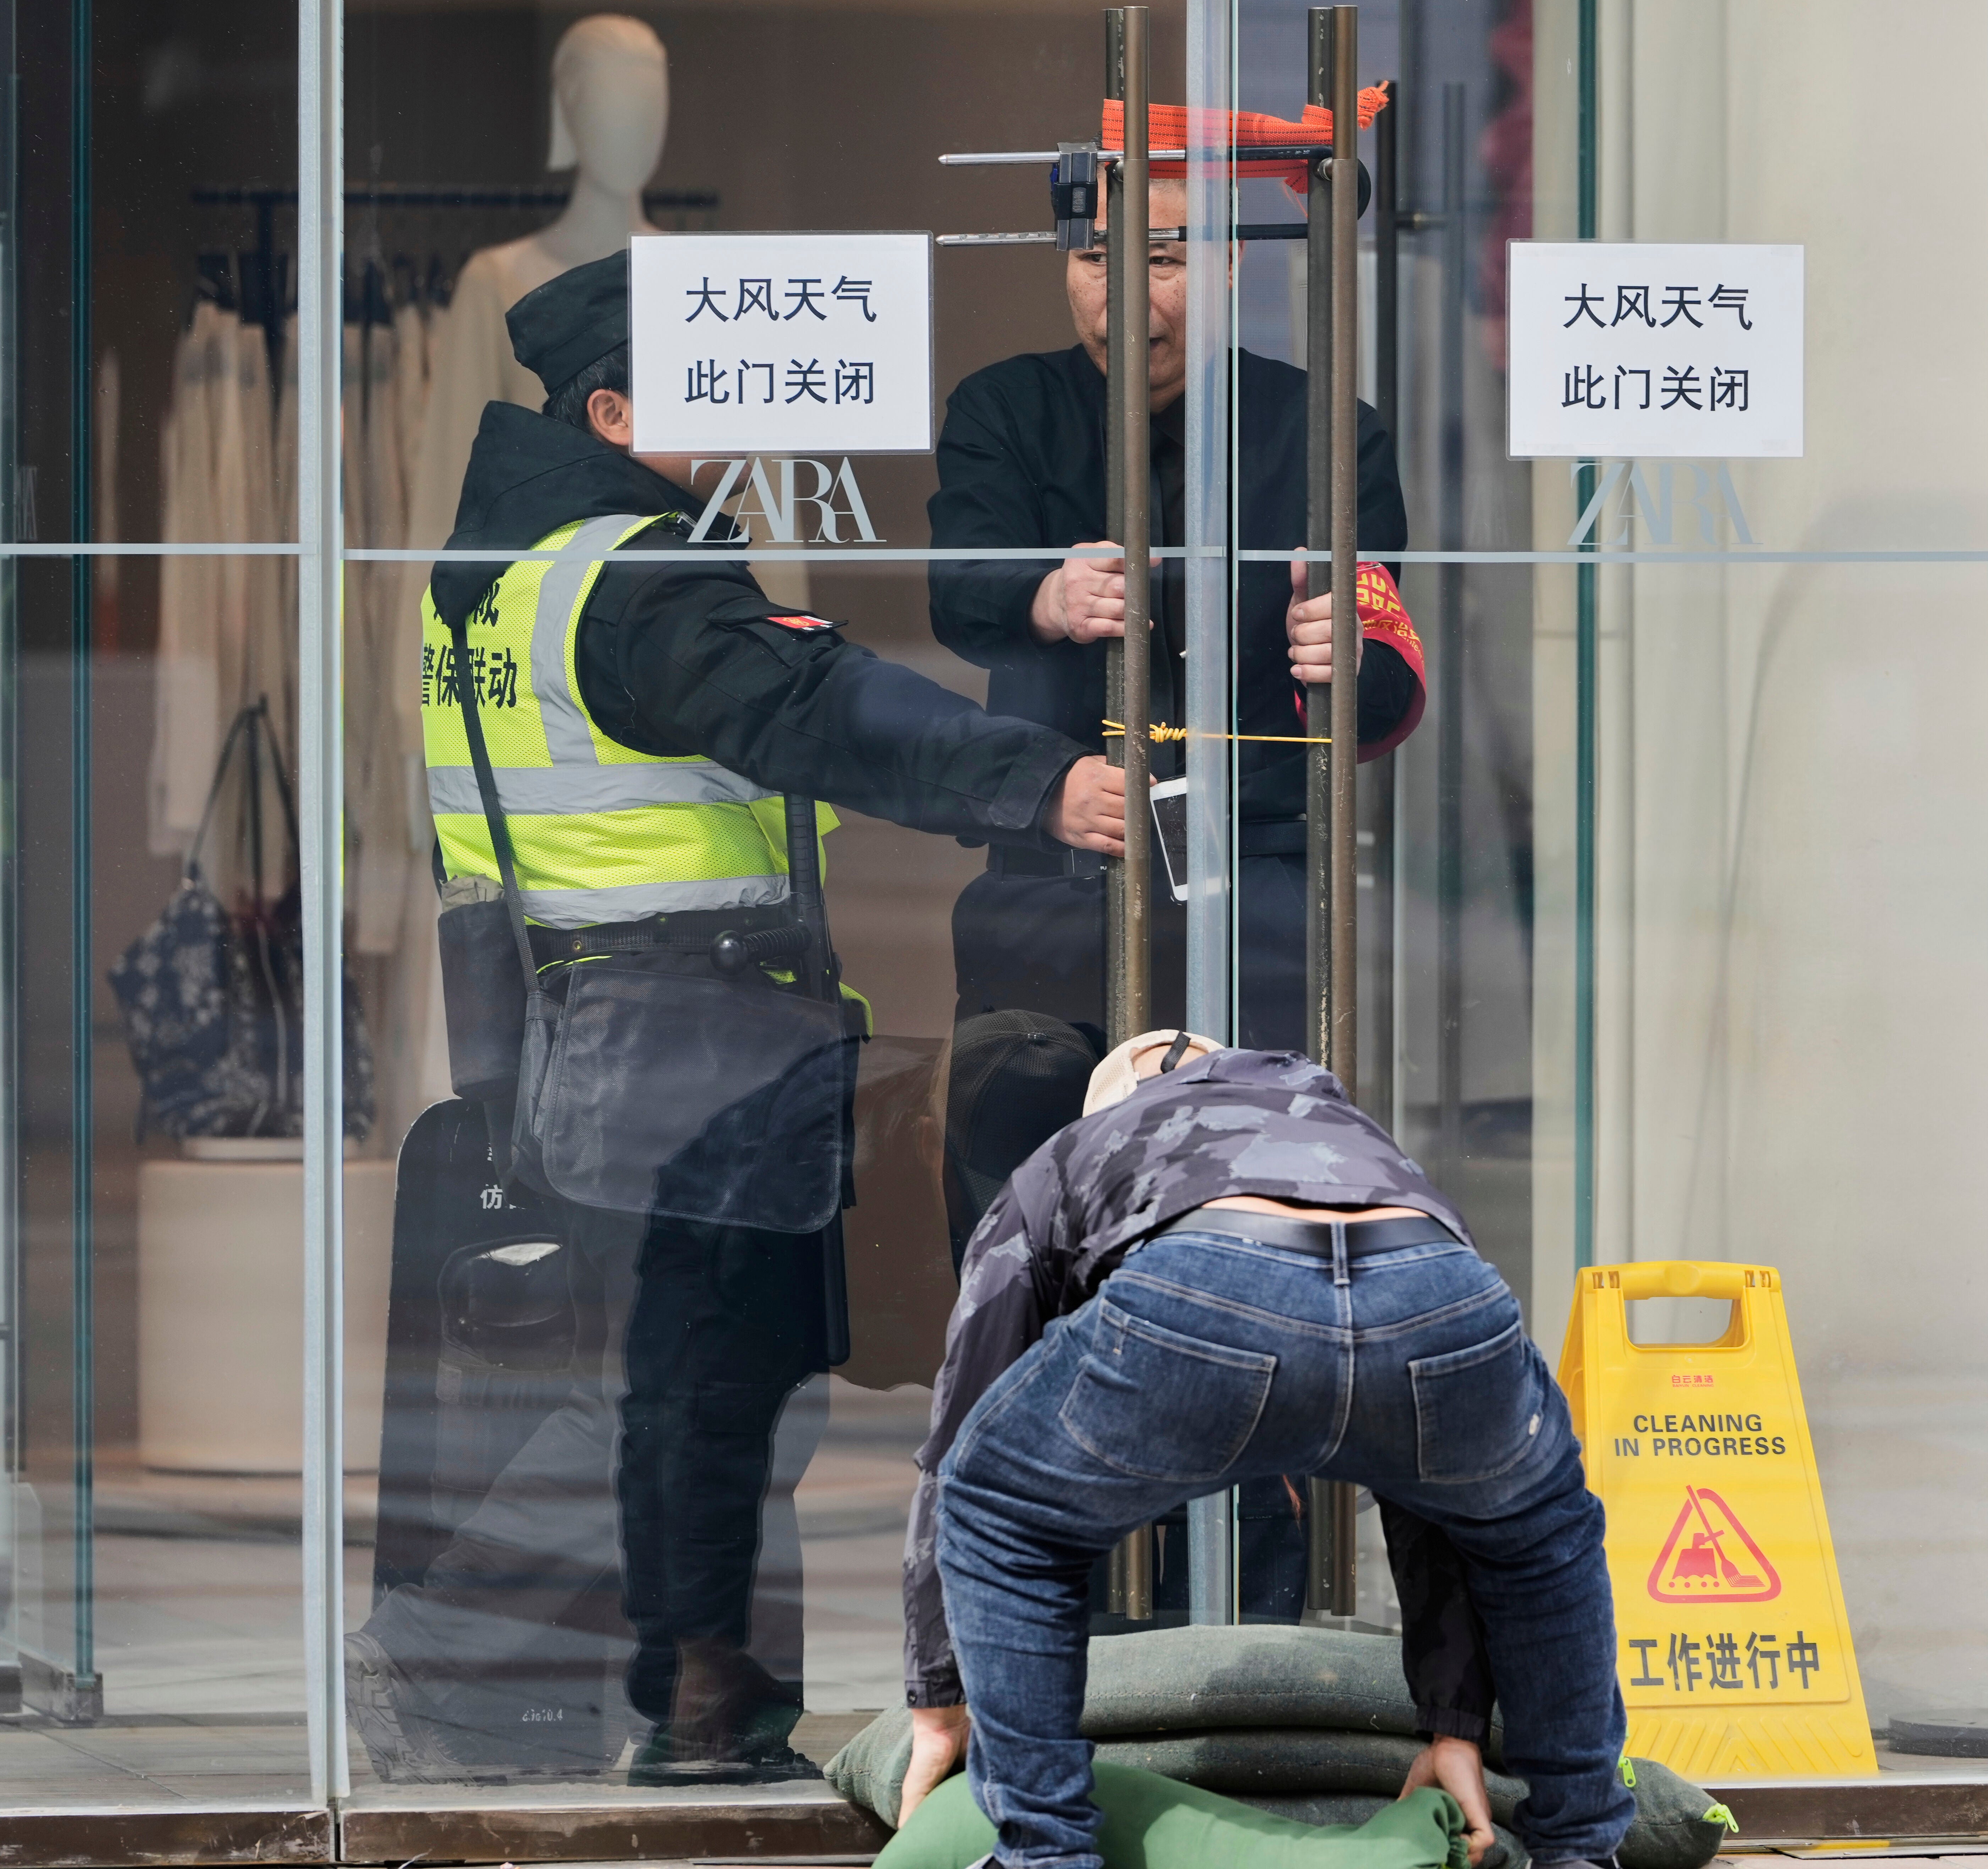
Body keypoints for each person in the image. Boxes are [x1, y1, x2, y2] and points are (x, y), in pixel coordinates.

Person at [349, 250, 1128, 1789]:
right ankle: (458, 1664)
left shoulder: (503, 573)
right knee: (687, 1400)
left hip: (594, 1028)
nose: (749, 400)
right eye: (711, 375)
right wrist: (1034, 781)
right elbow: (807, 706)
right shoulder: (630, 576)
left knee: (701, 1394)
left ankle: (713, 1720)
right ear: (618, 406)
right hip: (688, 1037)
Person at [895, 1033, 1636, 1869]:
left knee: (996, 1505)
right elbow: (1442, 1500)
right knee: (1539, 1536)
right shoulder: (1356, 1137)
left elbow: (963, 1426)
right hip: (1441, 1290)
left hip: (1209, 1283)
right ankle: (1582, 1848)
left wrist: (939, 1703)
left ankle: (1045, 1851)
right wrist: (1452, 1724)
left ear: (1118, 1101)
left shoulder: (1075, 1148)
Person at [926, 170, 1428, 1051]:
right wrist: (1045, 596)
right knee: (1024, 1150)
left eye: (1158, 259)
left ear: (1229, 262)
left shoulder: (1327, 430)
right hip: (1055, 869)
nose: (1117, 293)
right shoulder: (1003, 409)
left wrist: (1344, 659)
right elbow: (957, 593)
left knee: (1254, 1157)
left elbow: (1384, 690)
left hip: (1257, 877)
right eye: (1091, 258)